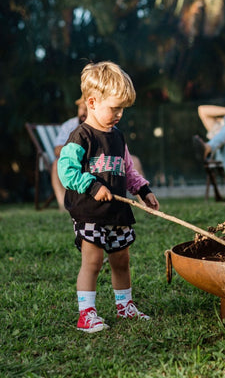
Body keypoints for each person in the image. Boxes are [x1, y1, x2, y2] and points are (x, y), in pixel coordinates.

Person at [57, 61, 159, 333]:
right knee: (93, 262)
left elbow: (127, 169)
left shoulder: (118, 137)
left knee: (121, 260)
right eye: (115, 108)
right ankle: (86, 314)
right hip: (90, 213)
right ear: (92, 102)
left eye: (122, 109)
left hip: (117, 214)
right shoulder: (81, 137)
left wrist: (143, 191)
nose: (119, 115)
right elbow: (66, 171)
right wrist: (91, 186)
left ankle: (124, 306)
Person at [52, 97, 144, 211]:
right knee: (57, 164)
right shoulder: (72, 128)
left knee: (133, 160)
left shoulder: (110, 127)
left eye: (87, 109)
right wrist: (82, 150)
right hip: (81, 164)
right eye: (82, 109)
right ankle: (62, 205)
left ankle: (143, 200)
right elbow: (57, 149)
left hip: (103, 161)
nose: (84, 112)